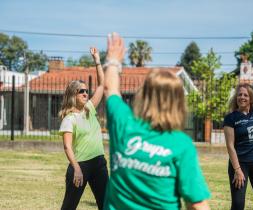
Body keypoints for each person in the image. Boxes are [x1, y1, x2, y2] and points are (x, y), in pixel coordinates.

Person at [102, 32, 211, 210]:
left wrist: (113, 60)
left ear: (143, 95)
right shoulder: (181, 145)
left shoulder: (123, 124)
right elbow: (197, 204)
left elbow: (109, 88)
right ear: (178, 103)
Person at [59, 47, 108, 210]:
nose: (86, 93)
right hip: (80, 166)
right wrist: (77, 169)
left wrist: (97, 61)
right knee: (69, 207)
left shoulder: (89, 109)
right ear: (73, 94)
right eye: (82, 91)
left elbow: (102, 85)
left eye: (87, 91)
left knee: (106, 205)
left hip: (99, 164)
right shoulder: (69, 119)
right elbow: (67, 147)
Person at [223, 49, 253, 210]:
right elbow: (230, 146)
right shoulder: (231, 118)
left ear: (250, 98)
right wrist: (237, 170)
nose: (242, 97)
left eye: (245, 95)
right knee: (238, 205)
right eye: (239, 95)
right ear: (236, 98)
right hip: (240, 164)